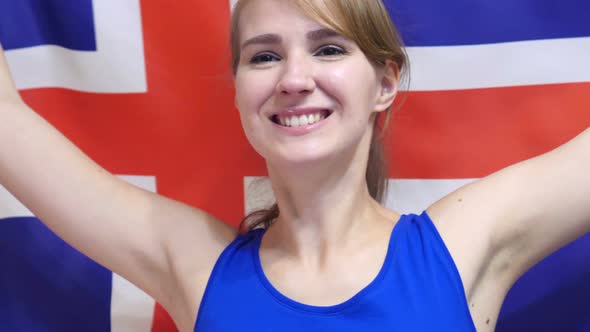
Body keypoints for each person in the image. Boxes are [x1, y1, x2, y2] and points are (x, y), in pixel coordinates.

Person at [0, 0, 588, 331]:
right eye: (264, 56)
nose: (294, 79)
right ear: (236, 91)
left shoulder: (462, 245)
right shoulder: (194, 264)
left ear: (384, 83)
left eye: (328, 48)